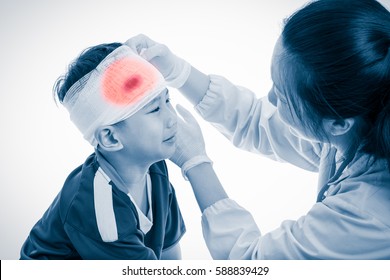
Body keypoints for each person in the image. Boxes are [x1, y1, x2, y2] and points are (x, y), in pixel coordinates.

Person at [126, 0, 390, 259]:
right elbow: (256, 121)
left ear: (338, 123)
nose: (271, 99)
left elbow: (252, 265)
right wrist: (177, 71)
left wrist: (195, 161)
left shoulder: (368, 214)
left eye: (284, 97)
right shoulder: (360, 123)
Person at [20, 42, 186, 259]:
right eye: (154, 109)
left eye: (167, 100)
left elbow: (169, 254)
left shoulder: (156, 168)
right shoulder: (100, 207)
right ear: (110, 137)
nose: (172, 118)